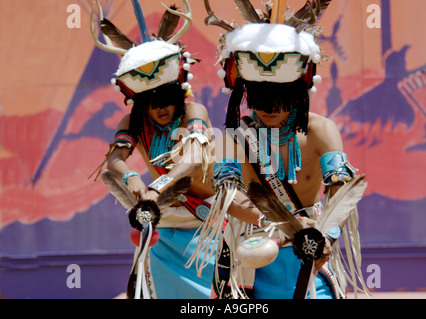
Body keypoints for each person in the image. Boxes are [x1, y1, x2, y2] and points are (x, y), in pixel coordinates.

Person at [189, 1, 369, 299]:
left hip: (311, 252)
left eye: (280, 97)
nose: (269, 107)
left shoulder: (321, 130)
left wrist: (328, 233)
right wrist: (283, 222)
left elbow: (340, 190)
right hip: (250, 259)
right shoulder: (233, 137)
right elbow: (228, 197)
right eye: (260, 97)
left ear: (298, 90)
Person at [89, 0, 215, 299]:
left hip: (210, 223)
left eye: (166, 100)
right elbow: (115, 160)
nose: (160, 109)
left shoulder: (193, 111)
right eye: (151, 103)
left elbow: (195, 158)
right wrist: (133, 179)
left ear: (178, 95)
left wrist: (155, 186)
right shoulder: (132, 121)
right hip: (163, 223)